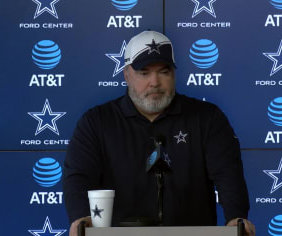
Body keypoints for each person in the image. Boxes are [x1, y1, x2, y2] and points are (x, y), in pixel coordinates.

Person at [63, 30, 255, 236]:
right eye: (144, 72)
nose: (155, 82)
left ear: (174, 74)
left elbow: (228, 174)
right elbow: (78, 177)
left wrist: (236, 217)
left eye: (164, 71)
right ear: (126, 75)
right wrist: (81, 217)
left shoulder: (207, 118)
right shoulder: (96, 122)